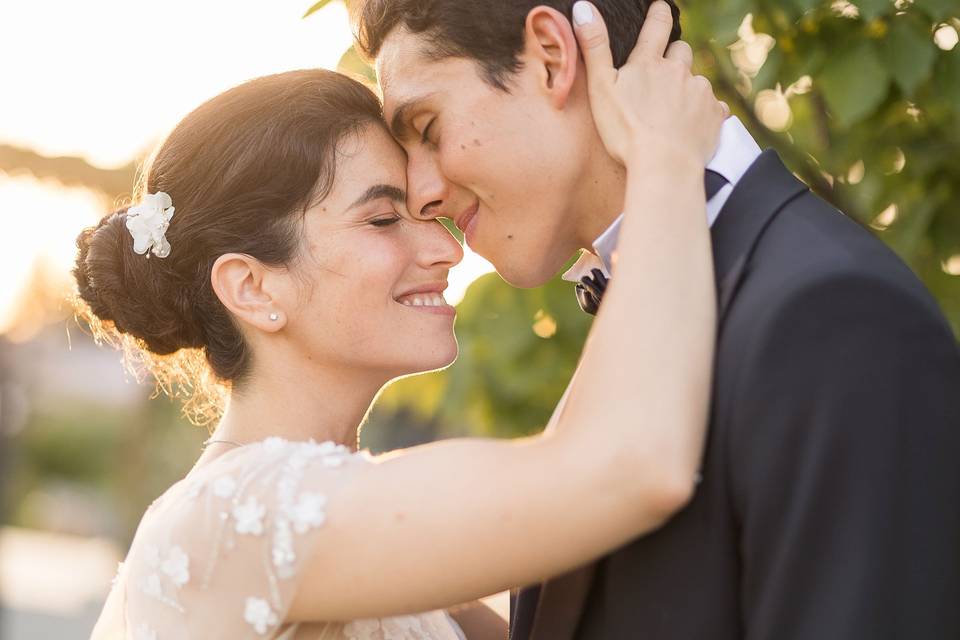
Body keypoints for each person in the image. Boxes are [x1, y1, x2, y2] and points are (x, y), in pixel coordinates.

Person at [82, 12, 726, 639]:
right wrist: (662, 160)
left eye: (425, 210)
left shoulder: (349, 514)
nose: (447, 249)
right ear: (252, 287)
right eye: (384, 221)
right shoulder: (228, 522)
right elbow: (633, 468)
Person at [360, 0, 960, 638]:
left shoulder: (833, 316)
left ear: (552, 58)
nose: (420, 193)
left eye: (427, 128)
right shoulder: (646, 317)